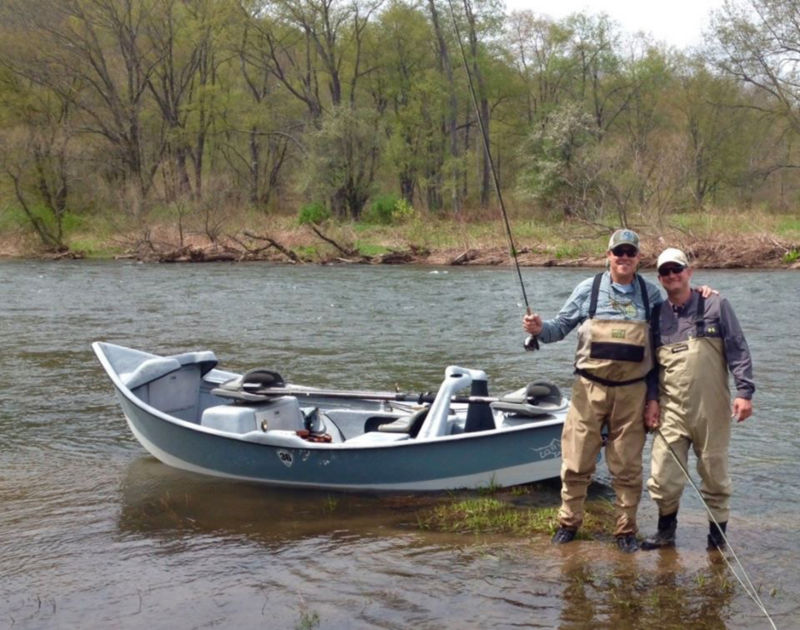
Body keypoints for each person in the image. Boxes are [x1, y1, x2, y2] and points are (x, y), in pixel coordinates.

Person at [523, 229, 662, 553]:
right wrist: (539, 329)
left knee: (627, 467)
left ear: (638, 257)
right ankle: (568, 523)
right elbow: (558, 329)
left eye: (630, 252)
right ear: (608, 255)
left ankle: (625, 530)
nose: (624, 257)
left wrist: (653, 397)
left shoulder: (651, 295)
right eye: (618, 252)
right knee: (575, 463)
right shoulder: (588, 290)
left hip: (633, 393)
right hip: (589, 390)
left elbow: (662, 348)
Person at [641, 248, 754, 551]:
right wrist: (652, 400)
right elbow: (651, 368)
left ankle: (716, 540)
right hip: (671, 410)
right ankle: (666, 533)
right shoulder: (655, 315)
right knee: (662, 477)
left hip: (712, 409)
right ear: (660, 279)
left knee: (715, 476)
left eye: (677, 269)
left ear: (689, 272)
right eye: (665, 272)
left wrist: (745, 393)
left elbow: (738, 349)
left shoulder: (716, 303)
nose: (671, 275)